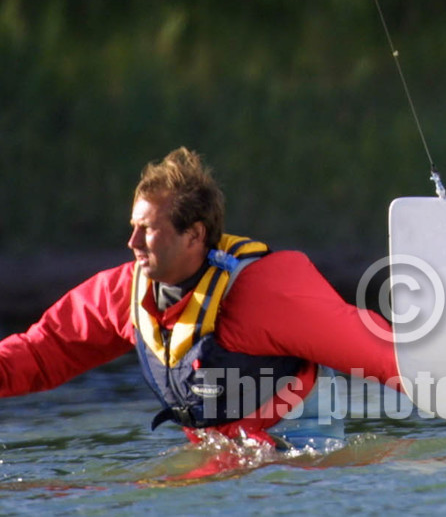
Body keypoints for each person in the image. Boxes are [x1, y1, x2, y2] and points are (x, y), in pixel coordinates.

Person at [0, 147, 401, 450]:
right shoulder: (123, 293)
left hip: (300, 444)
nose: (132, 242)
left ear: (193, 235)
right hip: (228, 450)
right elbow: (41, 352)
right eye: (133, 227)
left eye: (148, 230)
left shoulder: (263, 291)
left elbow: (380, 352)